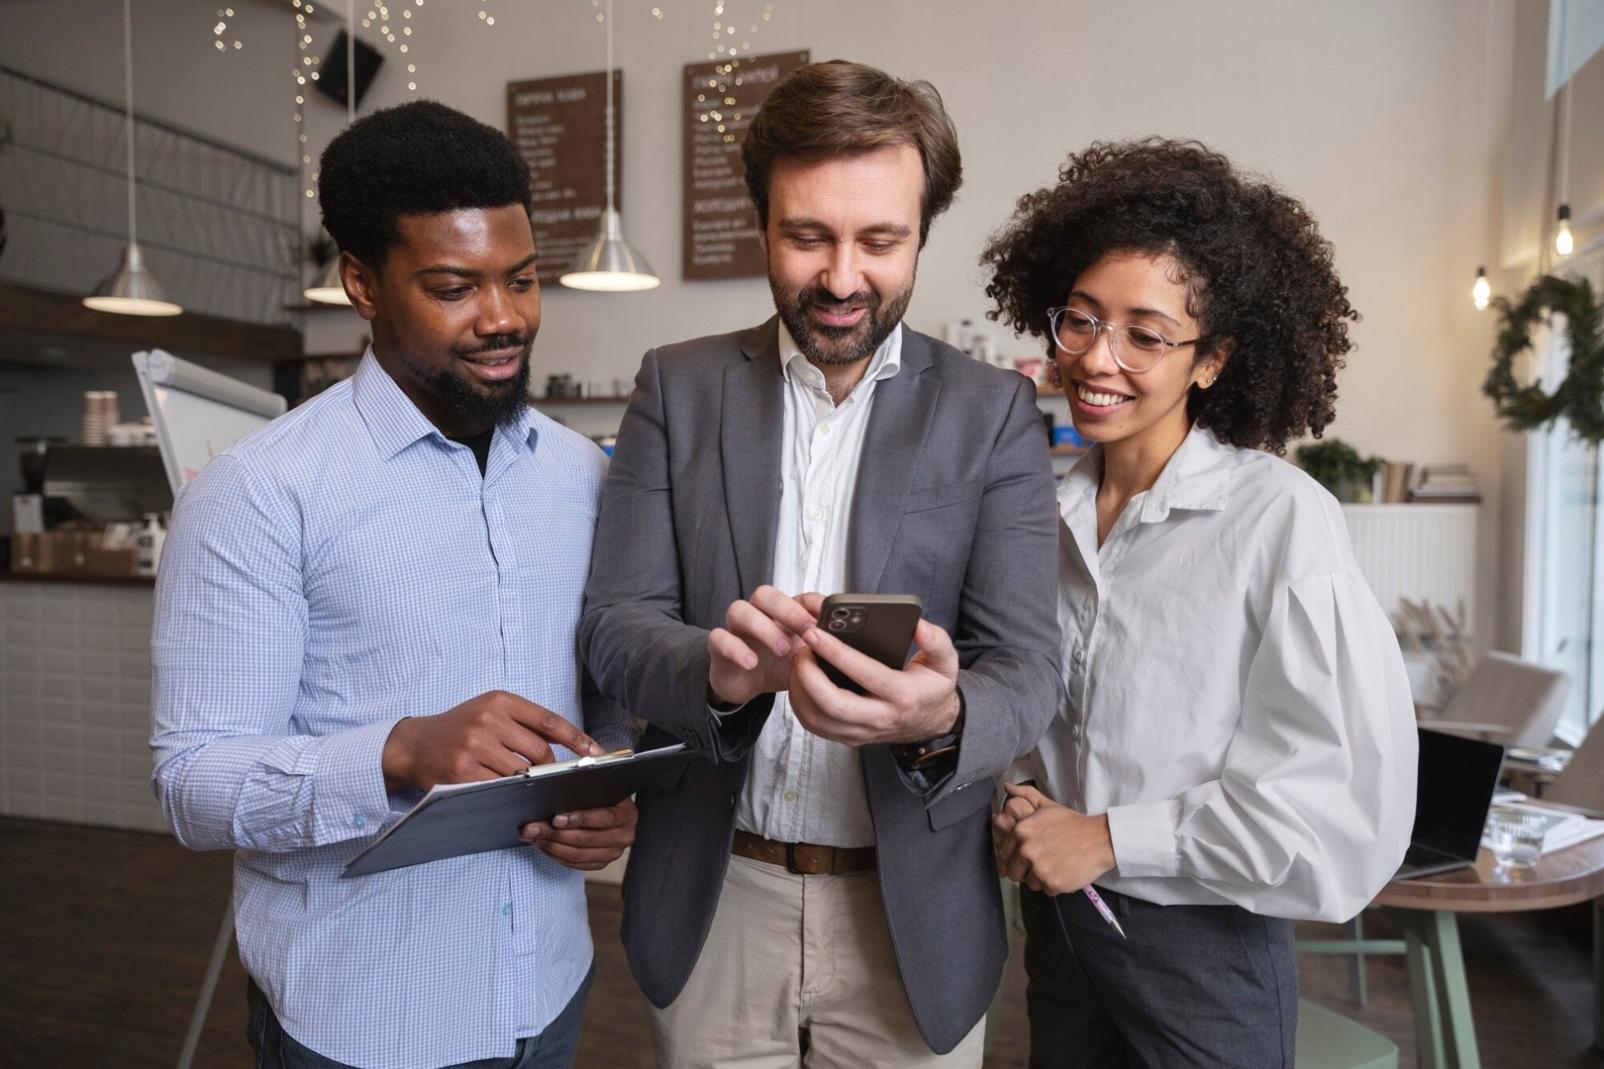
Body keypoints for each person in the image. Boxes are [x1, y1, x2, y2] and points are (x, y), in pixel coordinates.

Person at [579, 60, 1061, 1067]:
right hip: (715, 902)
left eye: (879, 240)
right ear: (760, 225)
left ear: (923, 232)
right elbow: (615, 624)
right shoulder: (678, 387)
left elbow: (1026, 666)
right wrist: (714, 675)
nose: (841, 278)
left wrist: (942, 716)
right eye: (807, 236)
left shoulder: (992, 413)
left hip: (912, 913)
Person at [150, 100, 637, 1069]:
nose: (503, 317)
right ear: (363, 284)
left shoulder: (582, 476)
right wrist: (401, 751)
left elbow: (601, 707)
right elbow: (190, 782)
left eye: (523, 279)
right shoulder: (261, 492)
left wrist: (610, 795)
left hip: (547, 982)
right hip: (362, 1013)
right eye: (454, 286)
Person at [982, 138, 1418, 1068]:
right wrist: (1018, 795)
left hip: (1204, 952)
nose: (1098, 359)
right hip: (1060, 930)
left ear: (1211, 361)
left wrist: (1106, 836)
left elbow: (1335, 802)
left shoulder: (1278, 520)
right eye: (1082, 321)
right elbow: (1036, 708)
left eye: (1147, 333)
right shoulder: (1038, 512)